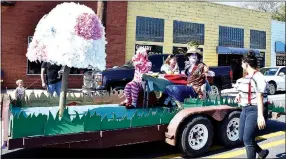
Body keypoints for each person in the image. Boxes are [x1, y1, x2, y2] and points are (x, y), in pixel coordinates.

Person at [235, 50, 269, 159]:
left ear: (246, 63)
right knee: (241, 137)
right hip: (245, 109)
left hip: (255, 110)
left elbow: (260, 96)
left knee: (248, 139)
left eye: (242, 62)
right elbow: (246, 90)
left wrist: (260, 116)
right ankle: (261, 152)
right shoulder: (247, 76)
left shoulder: (258, 76)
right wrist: (239, 96)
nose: (241, 64)